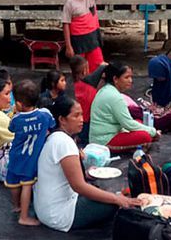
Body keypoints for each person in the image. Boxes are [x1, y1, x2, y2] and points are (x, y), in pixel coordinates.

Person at [33, 96, 141, 232]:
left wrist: (86, 175)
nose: (81, 120)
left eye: (82, 115)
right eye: (76, 116)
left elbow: (65, 176)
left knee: (106, 194)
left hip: (46, 210)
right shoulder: (64, 143)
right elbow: (79, 187)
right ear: (62, 119)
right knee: (113, 204)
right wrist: (116, 199)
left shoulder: (56, 138)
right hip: (59, 215)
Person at [5, 79, 55, 226]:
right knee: (27, 184)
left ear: (19, 104)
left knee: (14, 182)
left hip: (15, 155)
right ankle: (24, 215)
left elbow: (10, 129)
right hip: (31, 158)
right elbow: (51, 125)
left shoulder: (17, 119)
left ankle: (17, 207)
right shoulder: (45, 115)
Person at [89, 62, 160, 153]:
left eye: (131, 77)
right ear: (115, 79)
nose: (130, 80)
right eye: (126, 77)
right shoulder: (115, 97)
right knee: (145, 136)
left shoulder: (106, 90)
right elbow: (128, 124)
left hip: (105, 135)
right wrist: (153, 131)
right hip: (104, 141)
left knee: (139, 123)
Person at [62, 0, 108, 73]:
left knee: (99, 68)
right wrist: (68, 46)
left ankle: (96, 88)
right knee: (80, 71)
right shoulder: (70, 3)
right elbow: (66, 25)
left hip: (93, 39)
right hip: (78, 41)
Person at [138, 55, 171, 132]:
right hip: (156, 115)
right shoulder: (157, 82)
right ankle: (154, 125)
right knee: (134, 110)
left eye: (159, 75)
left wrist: (161, 114)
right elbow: (155, 103)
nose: (158, 78)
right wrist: (152, 109)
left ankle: (152, 125)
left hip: (170, 116)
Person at [68, 56, 105, 146]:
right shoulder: (88, 84)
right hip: (87, 122)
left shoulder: (71, 84)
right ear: (85, 71)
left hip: (75, 121)